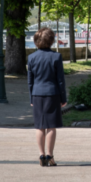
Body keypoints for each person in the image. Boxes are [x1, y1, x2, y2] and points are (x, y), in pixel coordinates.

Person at [27, 27, 67, 167]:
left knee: (39, 126)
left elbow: (30, 81)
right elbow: (60, 80)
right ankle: (50, 156)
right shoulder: (56, 57)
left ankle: (41, 154)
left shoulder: (31, 57)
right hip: (52, 93)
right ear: (51, 41)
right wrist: (63, 98)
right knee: (51, 127)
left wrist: (31, 98)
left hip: (37, 94)